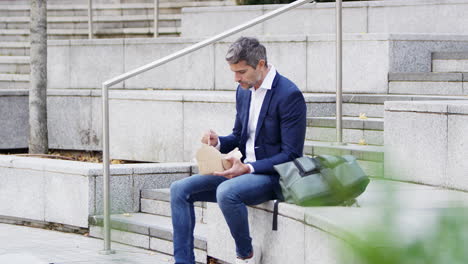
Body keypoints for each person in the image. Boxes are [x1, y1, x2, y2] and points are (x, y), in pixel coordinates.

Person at [170, 37, 307, 264]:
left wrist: (249, 168)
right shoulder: (243, 91)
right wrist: (217, 142)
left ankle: (245, 253)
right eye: (234, 72)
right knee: (179, 189)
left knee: (227, 192)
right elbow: (238, 136)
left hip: (273, 176)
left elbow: (292, 155)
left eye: (241, 72)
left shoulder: (289, 95)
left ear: (260, 65)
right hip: (241, 171)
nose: (236, 78)